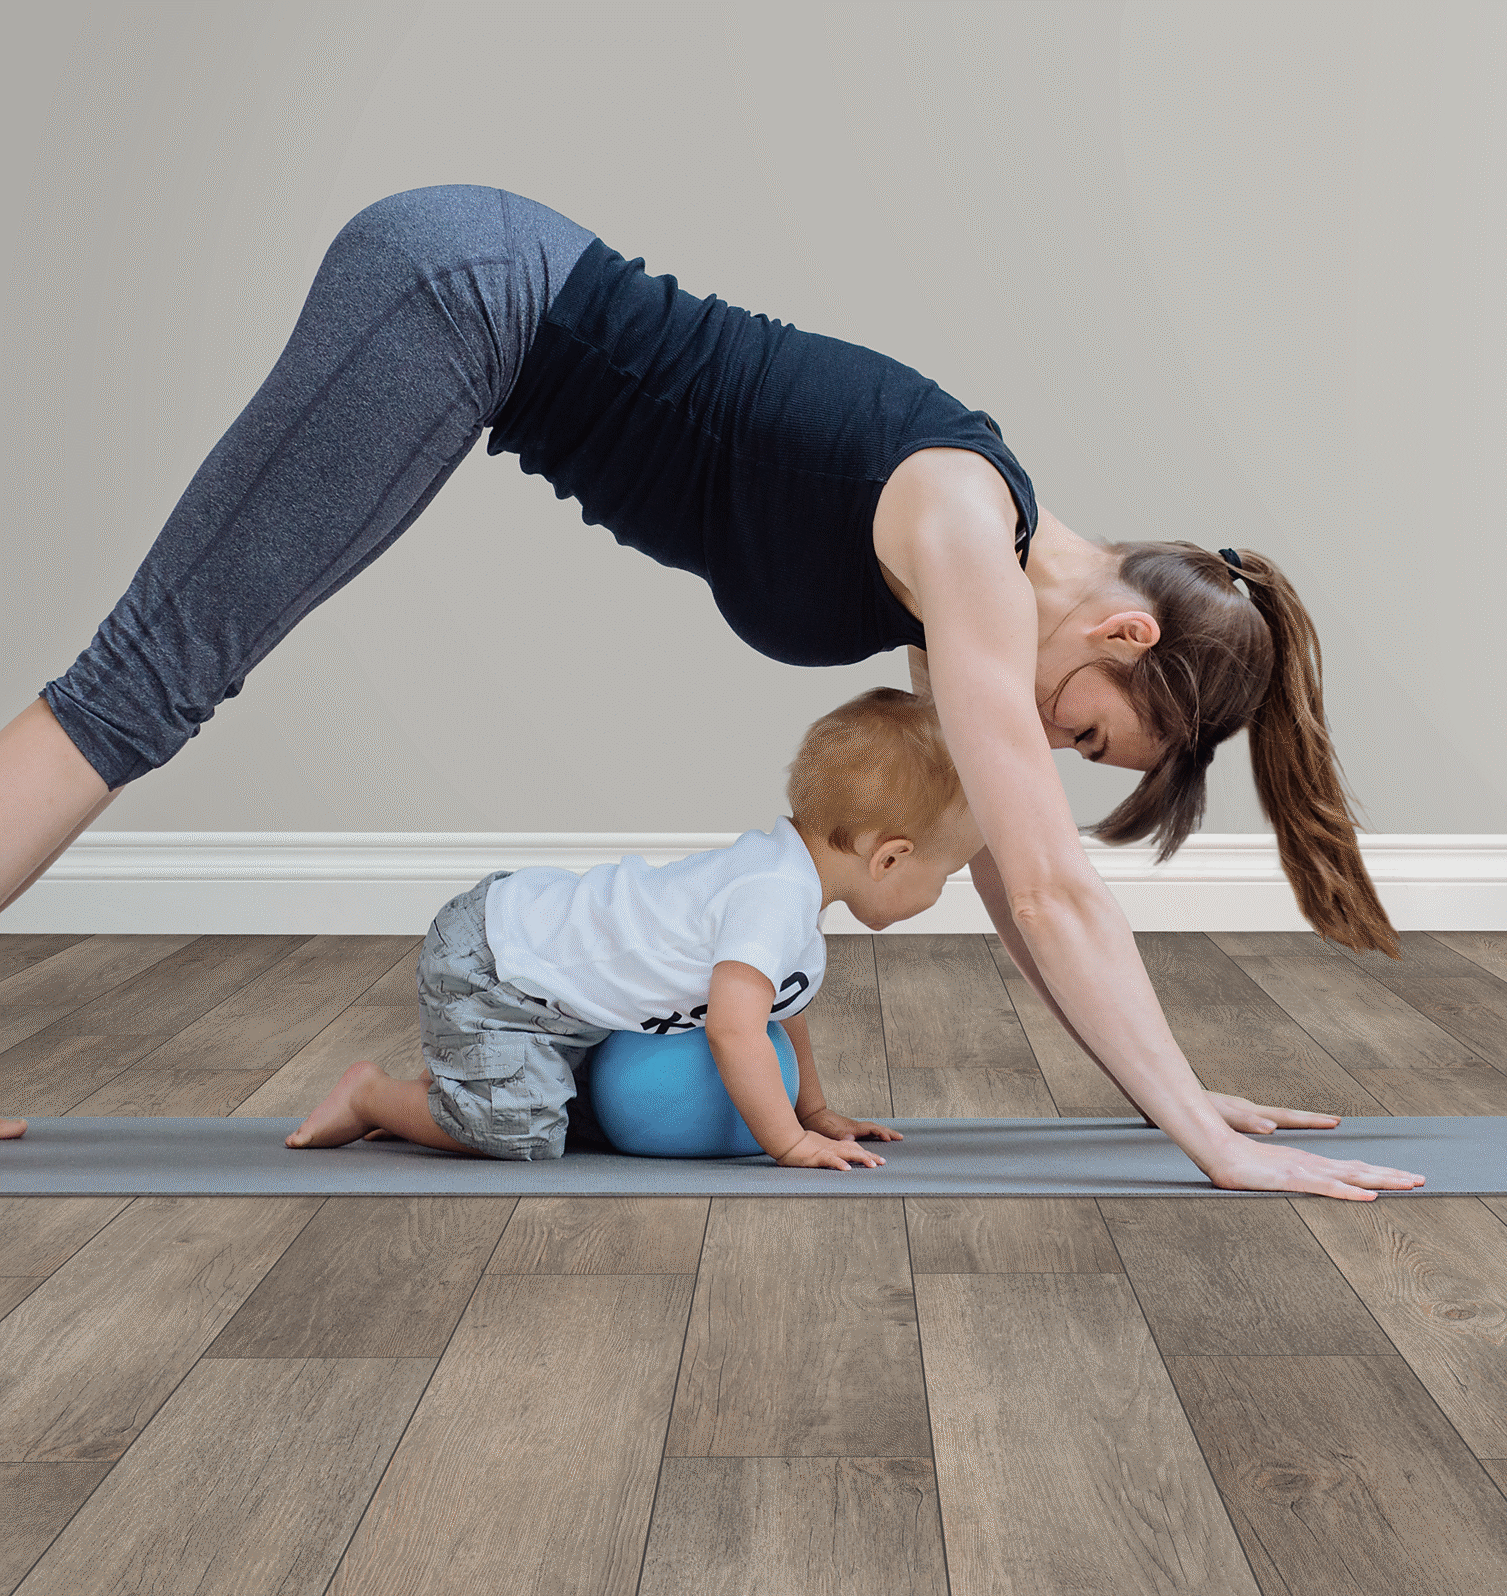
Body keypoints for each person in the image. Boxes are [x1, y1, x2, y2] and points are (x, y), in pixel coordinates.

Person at [0, 186, 1423, 1199]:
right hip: (462, 293)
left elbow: (1002, 873)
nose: (1050, 750)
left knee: (151, 687)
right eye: (1086, 729)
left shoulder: (972, 569)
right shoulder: (967, 535)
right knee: (145, 687)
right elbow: (1053, 884)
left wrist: (1165, 1092)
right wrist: (1216, 1152)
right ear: (1117, 626)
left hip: (476, 295)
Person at [287, 688, 976, 1168]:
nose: (942, 890)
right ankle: (371, 1092)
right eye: (946, 874)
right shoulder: (771, 896)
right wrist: (788, 1145)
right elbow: (735, 1030)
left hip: (547, 972)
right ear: (889, 858)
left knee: (544, 1106)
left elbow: (780, 1010)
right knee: (519, 1131)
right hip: (500, 969)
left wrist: (814, 1112)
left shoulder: (787, 888)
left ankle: (462, 1088)